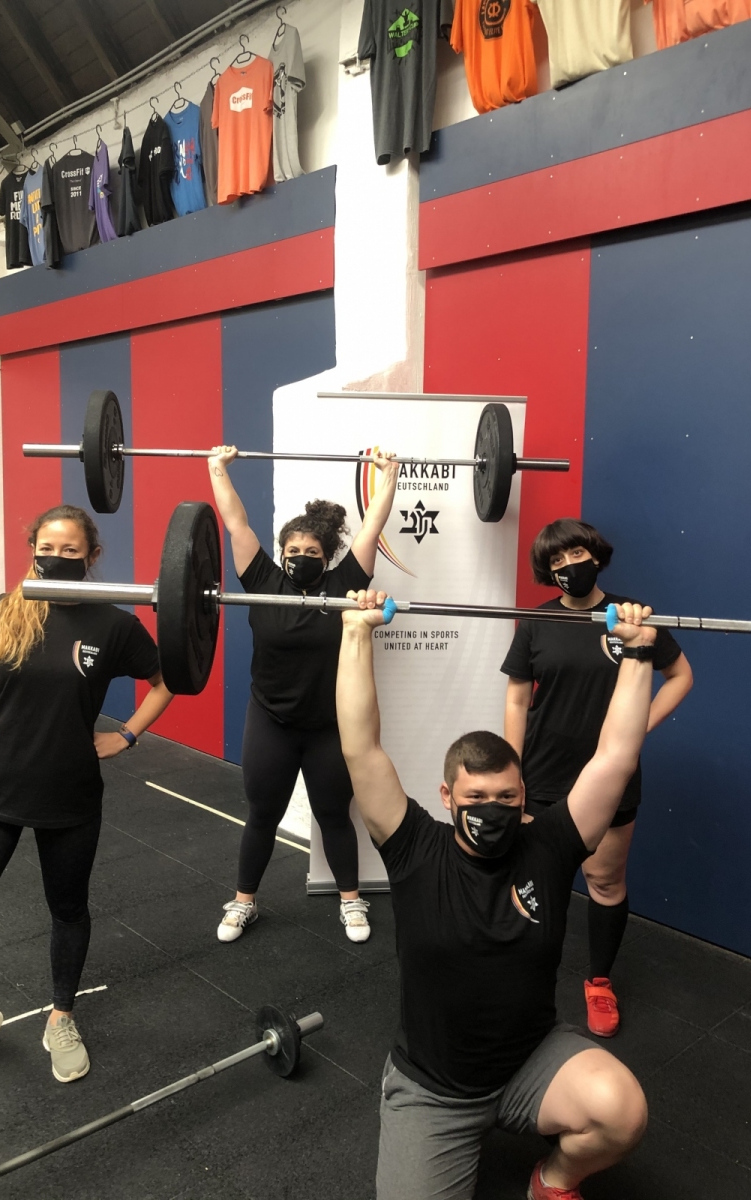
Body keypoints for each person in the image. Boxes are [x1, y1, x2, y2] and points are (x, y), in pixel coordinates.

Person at [336, 589, 656, 1200]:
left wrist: (638, 654)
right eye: (476, 798)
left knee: (622, 1112)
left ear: (523, 794)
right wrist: (356, 633)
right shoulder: (413, 847)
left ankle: (552, 1180)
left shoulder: (550, 845)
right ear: (447, 797)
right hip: (433, 1089)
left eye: (506, 797)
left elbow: (615, 756)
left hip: (530, 1062)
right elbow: (360, 748)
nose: (492, 809)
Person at [0, 505, 173, 1093]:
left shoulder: (113, 625)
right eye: (47, 547)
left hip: (69, 792)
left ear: (92, 556)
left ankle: (61, 1016)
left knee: (68, 910)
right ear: (32, 549)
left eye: (70, 550)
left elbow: (167, 681)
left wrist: (127, 734)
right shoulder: (2, 610)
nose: (56, 557)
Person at [501, 519, 693, 1037]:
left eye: (575, 554)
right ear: (547, 571)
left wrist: (637, 729)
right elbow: (517, 699)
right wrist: (513, 774)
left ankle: (600, 982)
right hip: (544, 774)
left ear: (595, 555)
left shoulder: (634, 617)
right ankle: (520, 973)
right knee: (537, 880)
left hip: (612, 777)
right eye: (556, 561)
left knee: (604, 882)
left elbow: (681, 676)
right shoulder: (536, 621)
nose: (568, 566)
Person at [207, 444, 399, 944]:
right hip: (270, 720)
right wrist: (217, 468)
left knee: (333, 814)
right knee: (262, 815)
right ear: (281, 553)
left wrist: (389, 475)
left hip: (329, 725)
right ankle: (243, 902)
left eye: (311, 553)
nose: (300, 558)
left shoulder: (345, 583)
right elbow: (236, 524)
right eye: (292, 551)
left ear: (327, 557)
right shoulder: (262, 580)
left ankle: (350, 900)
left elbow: (372, 529)